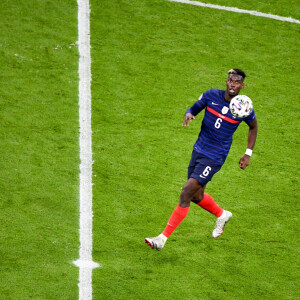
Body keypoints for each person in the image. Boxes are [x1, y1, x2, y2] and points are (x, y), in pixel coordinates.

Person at [145, 68, 258, 250]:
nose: (233, 84)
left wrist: (247, 153)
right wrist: (189, 113)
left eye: (237, 82)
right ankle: (222, 215)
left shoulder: (242, 107)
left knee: (186, 192)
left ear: (242, 86)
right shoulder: (211, 95)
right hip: (199, 150)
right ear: (226, 82)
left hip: (215, 156)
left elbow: (253, 127)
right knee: (197, 196)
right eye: (231, 80)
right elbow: (194, 108)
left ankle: (162, 238)